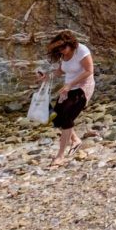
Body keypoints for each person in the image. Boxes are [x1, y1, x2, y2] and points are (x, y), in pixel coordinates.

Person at [39, 29, 94, 167]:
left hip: (82, 87)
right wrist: (47, 77)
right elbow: (61, 70)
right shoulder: (63, 55)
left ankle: (60, 156)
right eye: (59, 48)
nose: (61, 50)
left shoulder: (81, 50)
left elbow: (89, 71)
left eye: (63, 47)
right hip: (68, 88)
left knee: (67, 119)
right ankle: (75, 140)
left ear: (70, 43)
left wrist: (70, 84)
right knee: (56, 118)